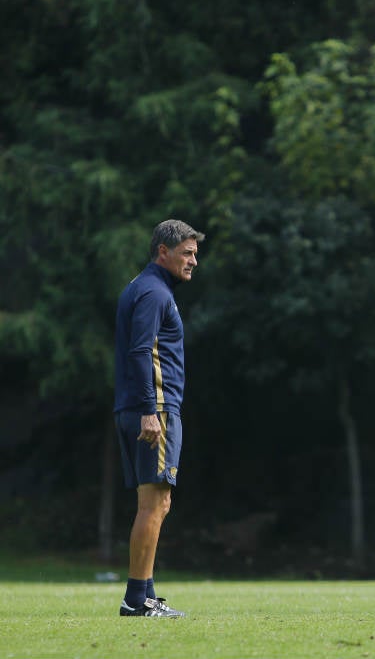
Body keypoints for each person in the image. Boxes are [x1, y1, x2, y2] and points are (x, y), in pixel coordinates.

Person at [113, 219, 204, 617]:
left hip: (141, 408)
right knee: (154, 503)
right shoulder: (153, 292)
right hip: (155, 410)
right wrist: (151, 410)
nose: (193, 261)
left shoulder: (143, 286)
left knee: (156, 503)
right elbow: (139, 351)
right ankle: (137, 600)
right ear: (162, 252)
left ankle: (146, 594)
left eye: (195, 253)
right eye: (187, 253)